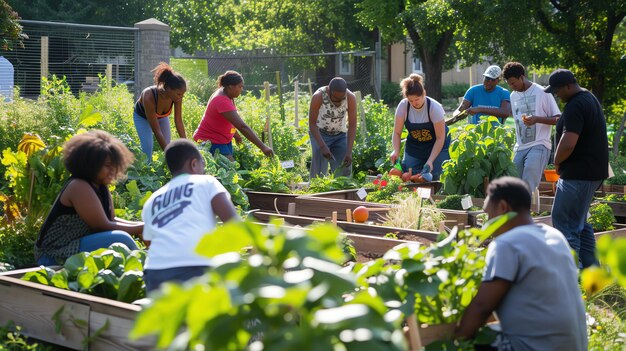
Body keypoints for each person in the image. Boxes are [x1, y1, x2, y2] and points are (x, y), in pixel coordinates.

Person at [455, 177, 587, 351]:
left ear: (503, 207)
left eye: (487, 215)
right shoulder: (555, 236)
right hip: (574, 346)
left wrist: (455, 341)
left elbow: (482, 306)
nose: (486, 223)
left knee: (474, 341)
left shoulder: (507, 244)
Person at [142, 139, 240, 292]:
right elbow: (235, 224)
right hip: (197, 268)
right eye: (203, 165)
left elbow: (149, 242)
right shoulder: (207, 182)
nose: (204, 170)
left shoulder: (152, 200)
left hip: (155, 273)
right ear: (194, 164)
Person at [34, 130, 143, 265]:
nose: (112, 171)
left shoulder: (100, 185)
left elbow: (111, 219)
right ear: (91, 164)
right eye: (107, 166)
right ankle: (147, 272)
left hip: (76, 245)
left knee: (123, 238)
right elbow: (102, 226)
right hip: (53, 253)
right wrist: (142, 228)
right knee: (121, 239)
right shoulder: (79, 186)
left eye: (114, 166)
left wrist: (142, 226)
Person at [546, 69, 608, 268]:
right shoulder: (589, 98)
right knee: (580, 224)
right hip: (591, 173)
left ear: (568, 86)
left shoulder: (575, 105)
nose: (557, 95)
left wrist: (556, 162)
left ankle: (572, 277)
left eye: (557, 90)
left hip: (578, 174)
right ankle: (593, 274)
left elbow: (569, 142)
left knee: (564, 223)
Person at [502, 62, 561, 192]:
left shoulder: (542, 92)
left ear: (522, 77)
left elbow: (559, 119)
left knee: (529, 182)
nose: (512, 87)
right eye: (509, 84)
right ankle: (517, 210)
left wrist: (537, 119)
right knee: (513, 182)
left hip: (540, 144)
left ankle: (524, 211)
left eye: (513, 83)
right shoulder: (513, 96)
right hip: (520, 146)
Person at [193, 70, 273, 161]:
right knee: (231, 170)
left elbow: (228, 120)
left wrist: (236, 135)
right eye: (240, 87)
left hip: (222, 139)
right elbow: (242, 127)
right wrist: (263, 147)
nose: (241, 89)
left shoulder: (225, 93)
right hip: (211, 140)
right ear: (230, 86)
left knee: (229, 169)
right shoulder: (222, 101)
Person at [390, 74, 450, 180]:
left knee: (435, 175)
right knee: (408, 174)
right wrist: (396, 151)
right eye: (411, 100)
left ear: (424, 94)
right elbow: (397, 133)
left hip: (437, 145)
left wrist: (430, 161)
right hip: (415, 146)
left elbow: (440, 138)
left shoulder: (434, 108)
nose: (414, 103)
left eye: (417, 99)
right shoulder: (403, 106)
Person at [133, 62, 187, 161]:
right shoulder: (149, 96)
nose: (181, 97)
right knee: (148, 147)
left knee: (167, 142)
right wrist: (168, 154)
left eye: (183, 94)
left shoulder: (177, 97)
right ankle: (145, 170)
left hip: (161, 117)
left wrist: (187, 146)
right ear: (169, 89)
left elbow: (178, 121)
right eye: (179, 94)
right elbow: (156, 130)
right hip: (142, 117)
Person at [308, 77, 357, 179]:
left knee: (344, 169)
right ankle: (317, 192)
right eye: (336, 98)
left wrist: (349, 151)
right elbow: (312, 124)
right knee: (319, 172)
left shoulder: (350, 98)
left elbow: (352, 125)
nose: (339, 101)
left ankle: (342, 193)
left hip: (340, 135)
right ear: (329, 91)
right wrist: (322, 146)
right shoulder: (318, 96)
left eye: (341, 98)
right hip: (320, 134)